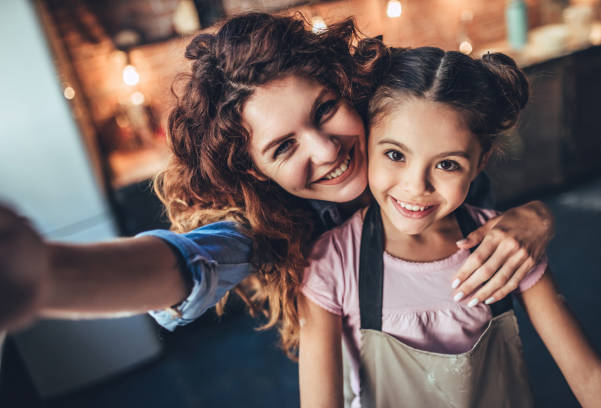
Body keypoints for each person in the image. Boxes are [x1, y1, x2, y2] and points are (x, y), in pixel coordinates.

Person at [0, 14, 553, 361]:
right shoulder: (276, 225)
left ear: (348, 87)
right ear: (255, 172)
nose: (326, 150)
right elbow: (187, 263)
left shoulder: (401, 115)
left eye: (326, 110)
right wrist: (48, 276)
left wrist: (533, 217)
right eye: (283, 147)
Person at [298, 47, 601, 407]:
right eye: (396, 155)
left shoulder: (507, 246)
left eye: (447, 164)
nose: (417, 187)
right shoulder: (331, 262)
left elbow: (588, 376)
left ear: (480, 163)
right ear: (365, 141)